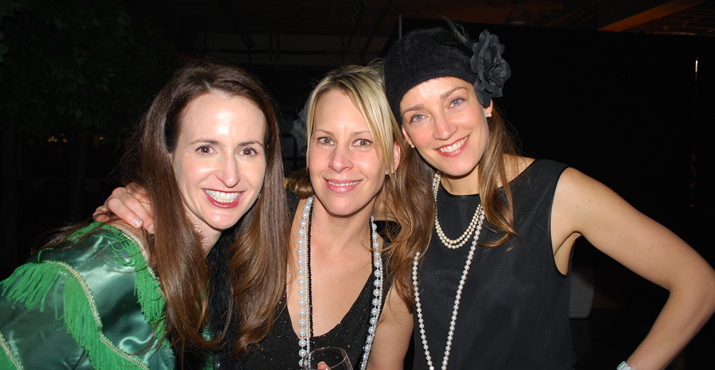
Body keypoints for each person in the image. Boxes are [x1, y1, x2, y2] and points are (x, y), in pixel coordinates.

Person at [380, 22, 715, 370]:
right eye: (419, 116)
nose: (443, 129)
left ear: (485, 101)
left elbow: (699, 284)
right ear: (406, 133)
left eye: (455, 101)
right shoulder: (412, 203)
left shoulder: (556, 192)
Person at [93, 64, 432, 369]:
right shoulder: (253, 211)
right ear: (308, 148)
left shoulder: (395, 277)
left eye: (362, 142)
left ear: (393, 158)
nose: (339, 161)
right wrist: (142, 202)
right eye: (326, 140)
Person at [0, 59, 289, 369]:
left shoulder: (221, 264)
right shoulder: (99, 270)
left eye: (247, 150)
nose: (230, 175)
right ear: (167, 155)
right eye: (206, 148)